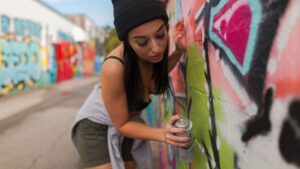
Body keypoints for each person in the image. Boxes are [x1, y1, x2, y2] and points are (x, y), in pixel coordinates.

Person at [71, 0, 190, 168]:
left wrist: (178, 51)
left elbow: (154, 83)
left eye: (160, 35)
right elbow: (122, 124)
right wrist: (164, 134)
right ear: (127, 40)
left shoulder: (149, 57)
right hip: (96, 126)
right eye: (142, 42)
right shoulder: (114, 67)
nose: (156, 48)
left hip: (129, 122)